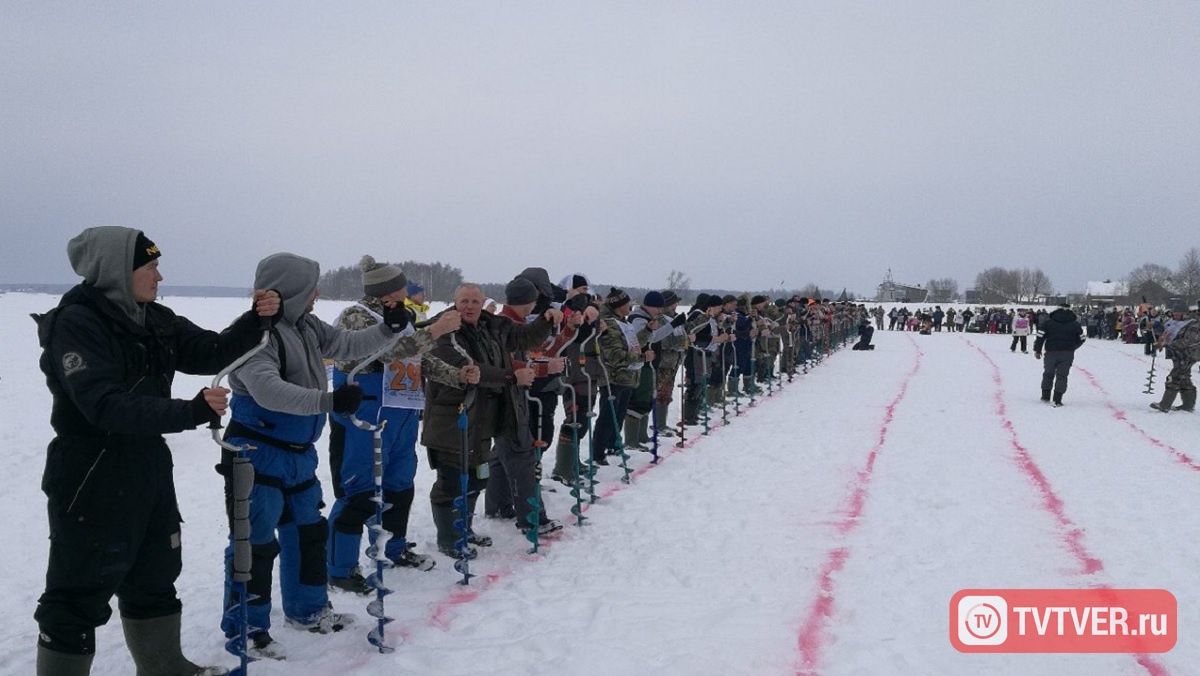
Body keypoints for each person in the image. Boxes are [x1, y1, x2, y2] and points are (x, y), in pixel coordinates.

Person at [33, 226, 280, 676]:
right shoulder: (77, 323)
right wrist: (187, 411)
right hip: (91, 470)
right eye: (149, 267)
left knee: (155, 571)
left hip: (146, 465)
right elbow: (102, 405)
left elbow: (211, 351)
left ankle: (165, 667)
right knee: (78, 591)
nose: (159, 276)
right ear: (116, 270)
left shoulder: (153, 318)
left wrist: (256, 318)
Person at [218, 252, 408, 658]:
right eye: (310, 288)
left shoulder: (305, 325)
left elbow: (347, 344)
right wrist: (331, 400)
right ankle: (247, 628)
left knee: (307, 532)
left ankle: (308, 609)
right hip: (256, 452)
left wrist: (390, 329)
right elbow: (270, 391)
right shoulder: (255, 336)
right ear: (289, 290)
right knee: (254, 542)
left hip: (299, 453)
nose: (317, 294)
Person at [325, 257, 465, 594]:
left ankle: (393, 547)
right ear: (388, 289)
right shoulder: (356, 316)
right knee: (358, 491)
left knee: (399, 486)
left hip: (402, 414)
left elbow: (418, 359)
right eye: (402, 284)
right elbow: (383, 355)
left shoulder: (402, 315)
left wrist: (456, 375)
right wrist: (435, 330)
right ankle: (340, 567)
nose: (408, 289)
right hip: (365, 415)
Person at [420, 283, 561, 558]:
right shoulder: (443, 328)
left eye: (474, 301)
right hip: (452, 415)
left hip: (484, 416)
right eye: (464, 301)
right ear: (454, 302)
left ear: (483, 302)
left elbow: (524, 337)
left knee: (475, 476)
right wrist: (511, 378)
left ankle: (465, 529)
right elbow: (467, 366)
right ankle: (449, 538)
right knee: (452, 478)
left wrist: (546, 321)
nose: (469, 306)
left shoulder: (491, 325)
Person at [1150, 305, 1200, 413]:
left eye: (1178, 314)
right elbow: (1167, 333)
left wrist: (1167, 343)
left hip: (1188, 354)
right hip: (1177, 354)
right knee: (1184, 378)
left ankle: (1165, 404)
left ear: (1185, 313)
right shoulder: (1172, 323)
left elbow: (1188, 341)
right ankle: (1188, 405)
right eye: (1174, 314)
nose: (1175, 316)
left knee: (1174, 377)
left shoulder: (1194, 323)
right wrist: (1156, 331)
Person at [1033, 303, 1085, 406]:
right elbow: (1082, 339)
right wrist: (1073, 348)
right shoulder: (1075, 324)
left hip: (1051, 352)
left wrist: (1037, 350)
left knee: (1048, 373)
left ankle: (1045, 396)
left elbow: (1040, 337)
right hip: (1067, 353)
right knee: (1062, 376)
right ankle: (1057, 398)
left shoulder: (1048, 323)